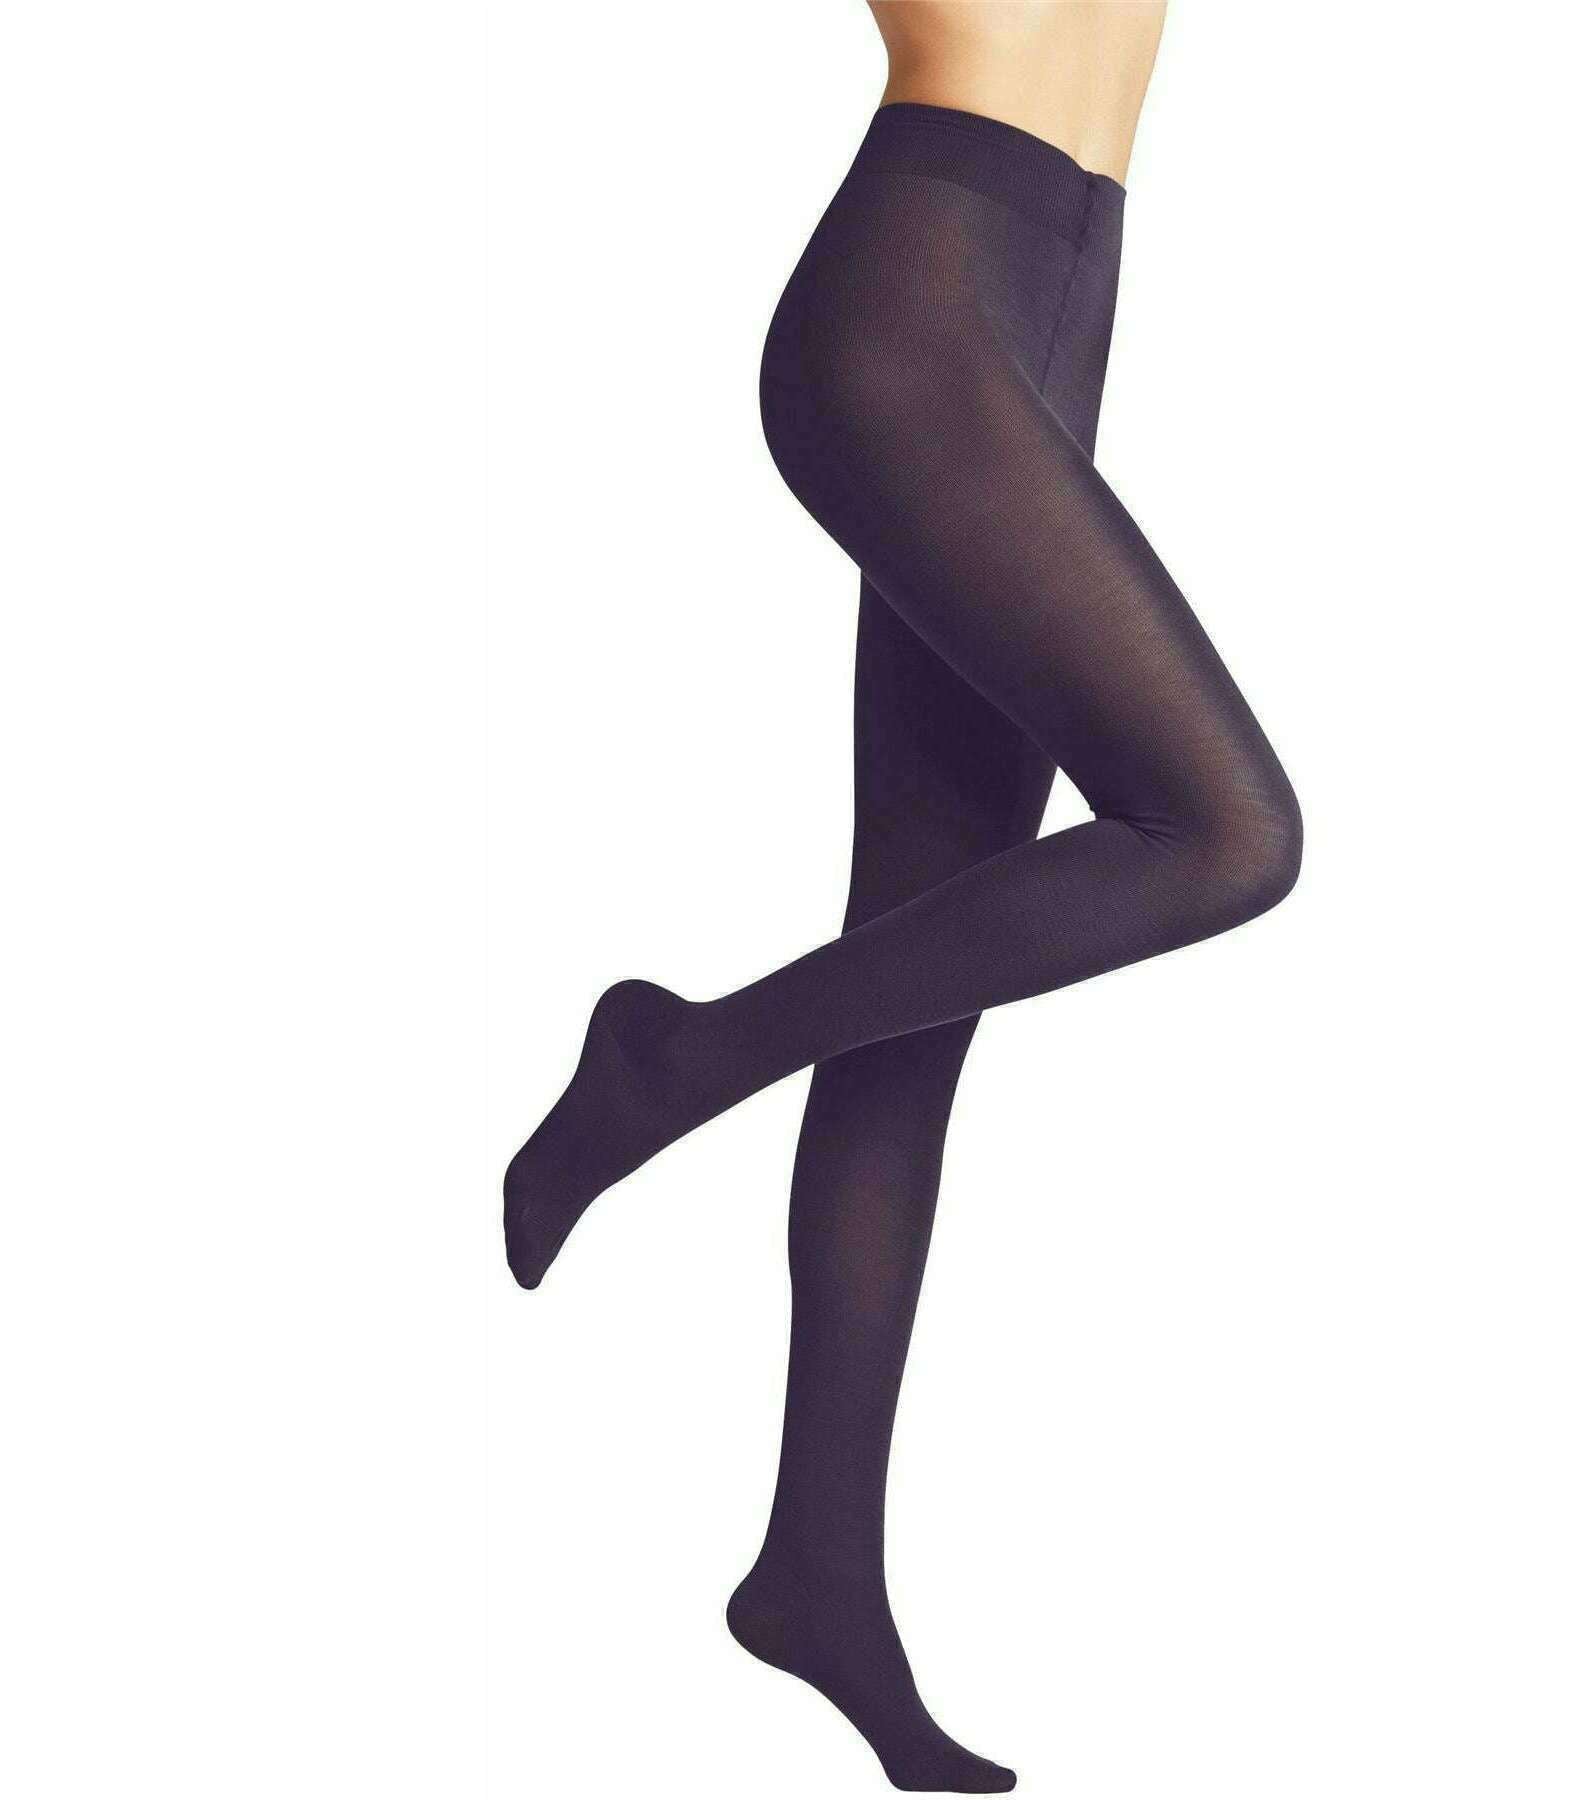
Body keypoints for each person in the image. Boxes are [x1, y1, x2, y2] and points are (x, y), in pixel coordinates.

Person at [506, 4, 1300, 1790]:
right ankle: (671, 1064)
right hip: (918, 305)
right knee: (1226, 832)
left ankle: (817, 1575)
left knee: (918, 989)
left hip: (1058, 301)